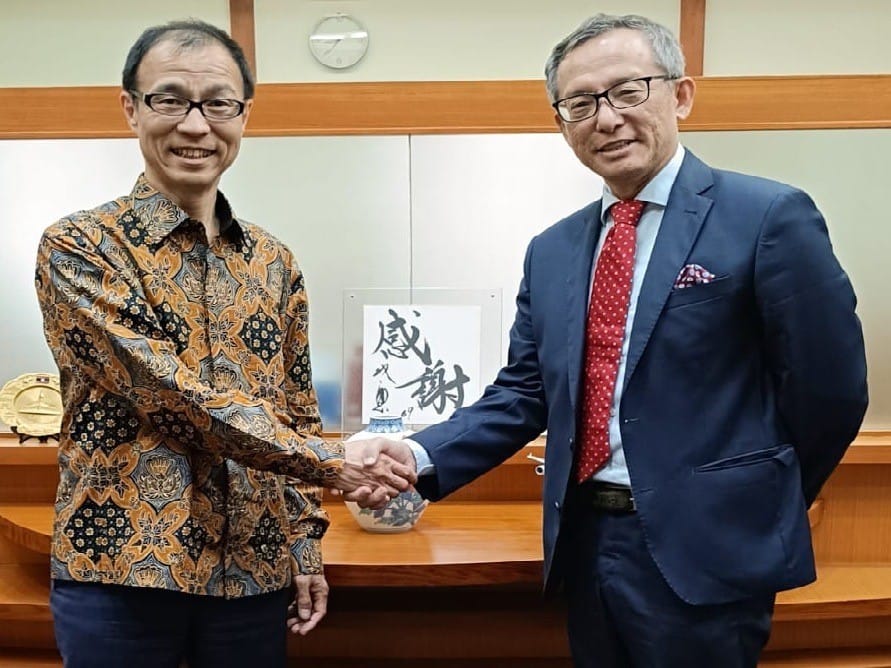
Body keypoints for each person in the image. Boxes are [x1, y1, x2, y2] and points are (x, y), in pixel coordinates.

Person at [346, 13, 868, 668]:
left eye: (628, 91)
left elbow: (830, 391)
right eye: (581, 103)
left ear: (679, 95)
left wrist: (760, 495)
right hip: (585, 540)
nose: (607, 118)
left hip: (707, 549)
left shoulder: (766, 216)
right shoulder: (553, 249)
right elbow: (524, 393)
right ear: (561, 123)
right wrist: (417, 453)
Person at [34, 19, 414, 668]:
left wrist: (304, 546)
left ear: (243, 115)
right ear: (130, 108)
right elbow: (166, 393)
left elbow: (296, 410)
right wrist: (334, 463)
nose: (195, 125)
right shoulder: (80, 246)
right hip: (122, 568)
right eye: (170, 99)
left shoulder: (273, 261)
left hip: (252, 574)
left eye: (218, 103)